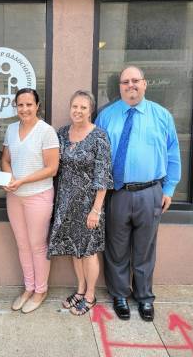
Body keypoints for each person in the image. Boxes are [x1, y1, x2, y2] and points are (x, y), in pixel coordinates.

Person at [95, 65, 181, 322]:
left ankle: (144, 297)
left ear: (145, 84)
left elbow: (173, 154)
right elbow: (98, 157)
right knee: (116, 247)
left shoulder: (162, 115)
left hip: (150, 192)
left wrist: (169, 188)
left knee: (144, 249)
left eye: (135, 81)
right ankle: (120, 294)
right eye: (125, 82)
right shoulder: (106, 116)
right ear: (119, 86)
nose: (130, 85)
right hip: (117, 193)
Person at [48, 90, 113, 315]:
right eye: (75, 106)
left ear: (90, 110)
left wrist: (96, 209)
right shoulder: (62, 133)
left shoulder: (99, 136)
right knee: (74, 249)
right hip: (66, 202)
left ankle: (91, 295)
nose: (78, 111)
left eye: (83, 107)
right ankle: (80, 289)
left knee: (88, 251)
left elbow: (103, 176)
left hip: (89, 206)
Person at [1, 88, 59, 314]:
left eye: (29, 104)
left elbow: (52, 168)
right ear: (16, 107)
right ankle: (28, 287)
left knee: (37, 245)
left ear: (37, 106)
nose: (24, 109)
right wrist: (11, 177)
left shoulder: (46, 131)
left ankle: (40, 290)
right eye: (20, 105)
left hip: (39, 197)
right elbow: (5, 159)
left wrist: (22, 180)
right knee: (22, 245)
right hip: (14, 197)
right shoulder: (11, 129)